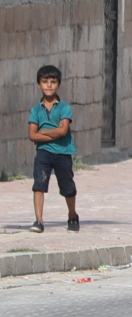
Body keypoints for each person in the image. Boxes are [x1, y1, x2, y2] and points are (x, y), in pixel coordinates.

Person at [28, 65, 78, 234]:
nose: (49, 85)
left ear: (58, 84)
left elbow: (63, 131)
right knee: (39, 185)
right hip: (44, 152)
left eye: (52, 82)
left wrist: (44, 131)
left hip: (63, 152)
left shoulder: (64, 108)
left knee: (67, 187)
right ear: (38, 84)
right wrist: (51, 134)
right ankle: (39, 221)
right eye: (45, 82)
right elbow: (32, 136)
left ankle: (72, 215)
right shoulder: (35, 110)